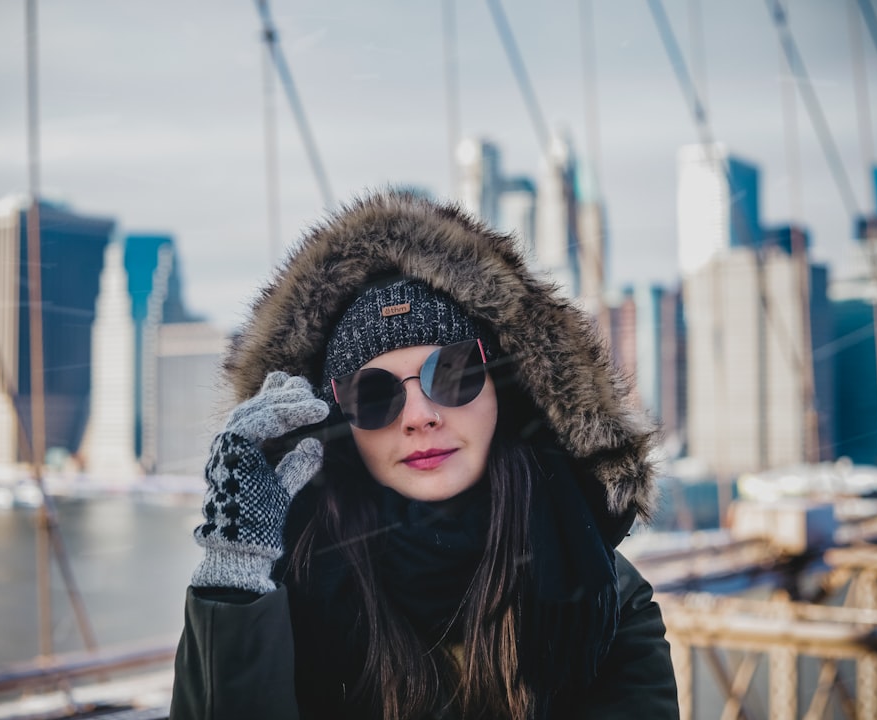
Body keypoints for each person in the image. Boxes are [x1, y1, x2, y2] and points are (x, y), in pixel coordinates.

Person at [170, 191, 679, 719]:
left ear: (505, 390)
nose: (419, 415)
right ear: (334, 421)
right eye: (373, 396)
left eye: (453, 373)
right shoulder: (283, 601)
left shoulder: (603, 597)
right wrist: (235, 577)